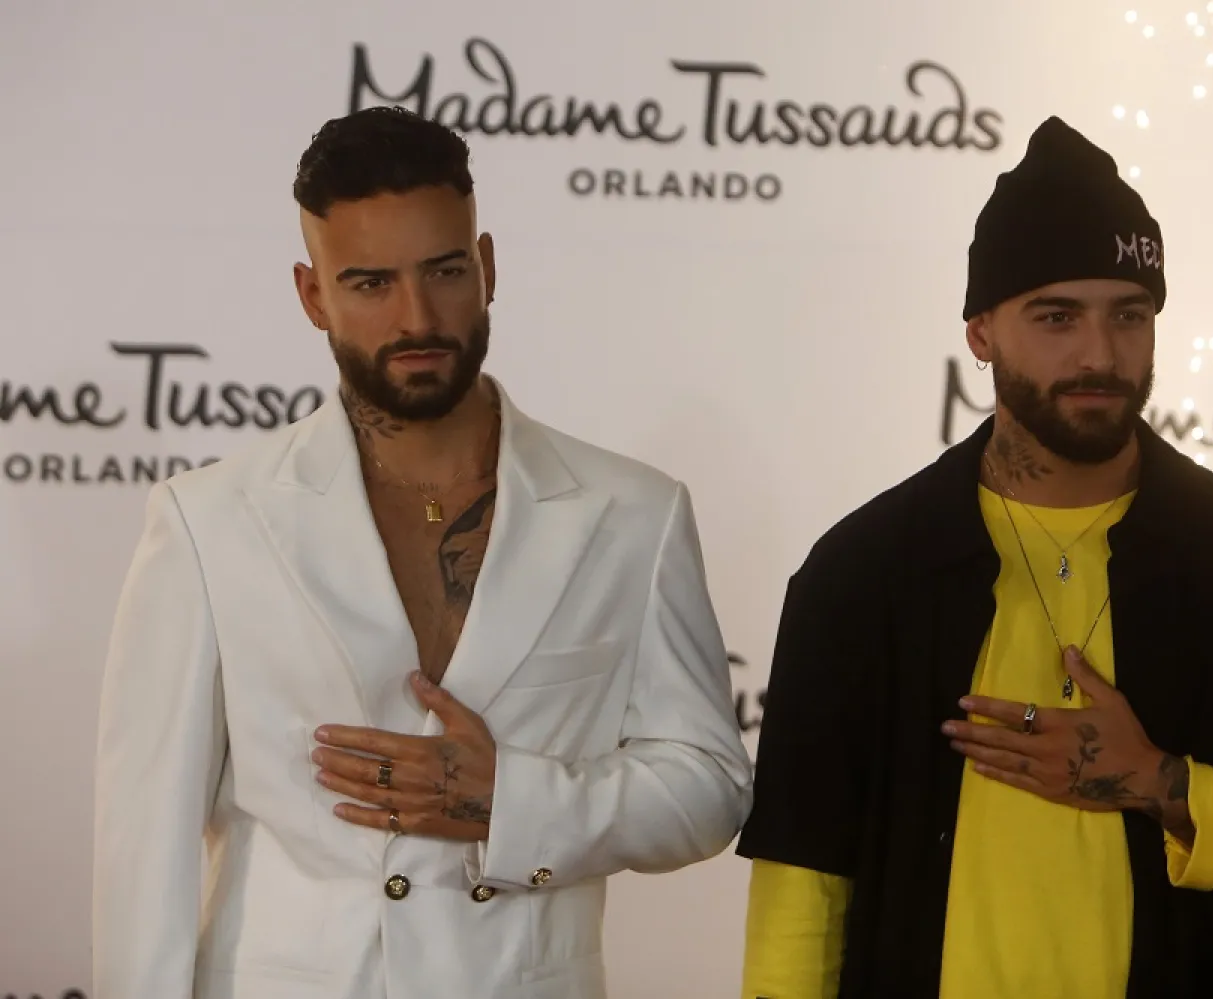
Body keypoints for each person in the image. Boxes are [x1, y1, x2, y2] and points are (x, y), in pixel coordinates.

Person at [92, 105, 753, 999]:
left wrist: (516, 802)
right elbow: (143, 846)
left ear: (486, 268)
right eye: (370, 283)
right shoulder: (209, 521)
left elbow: (710, 787)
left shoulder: (634, 513)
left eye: (444, 271)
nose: (417, 316)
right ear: (312, 295)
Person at [735, 116, 1213, 999]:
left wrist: (1162, 783)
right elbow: (803, 874)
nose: (1100, 354)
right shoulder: (864, 572)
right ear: (981, 332)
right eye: (1056, 317)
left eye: (1129, 315)